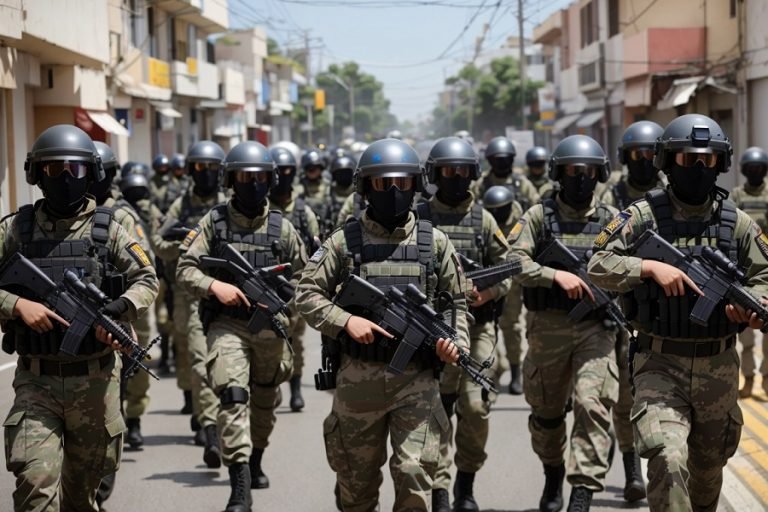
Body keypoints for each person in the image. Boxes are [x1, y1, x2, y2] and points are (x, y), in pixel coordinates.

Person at [588, 114, 768, 511]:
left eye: (708, 160)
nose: (699, 169)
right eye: (688, 160)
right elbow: (597, 263)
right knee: (669, 461)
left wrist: (753, 304)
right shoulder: (642, 216)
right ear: (666, 163)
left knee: (707, 477)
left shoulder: (736, 224)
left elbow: (763, 276)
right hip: (659, 364)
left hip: (719, 367)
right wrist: (648, 267)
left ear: (722, 163)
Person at [295, 138, 470, 511]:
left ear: (416, 185)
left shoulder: (434, 243)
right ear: (364, 187)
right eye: (381, 183)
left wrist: (456, 344)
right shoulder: (344, 242)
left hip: (417, 380)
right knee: (356, 487)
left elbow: (457, 302)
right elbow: (306, 294)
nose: (393, 191)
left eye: (402, 183)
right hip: (358, 380)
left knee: (413, 475)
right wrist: (345, 321)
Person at [1, 124, 158, 511]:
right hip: (37, 381)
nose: (66, 179)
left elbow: (147, 279)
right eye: (55, 170)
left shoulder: (111, 230)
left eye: (76, 169)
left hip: (96, 383)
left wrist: (119, 309)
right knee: (35, 488)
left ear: (94, 173)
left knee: (81, 499)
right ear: (37, 174)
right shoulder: (15, 230)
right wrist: (16, 305)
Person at [177, 141, 306, 512]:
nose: (252, 184)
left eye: (260, 177)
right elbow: (186, 268)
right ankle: (239, 486)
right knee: (233, 395)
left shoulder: (282, 229)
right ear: (230, 180)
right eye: (244, 177)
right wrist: (215, 285)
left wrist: (285, 299)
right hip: (226, 325)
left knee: (265, 400)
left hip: (271, 328)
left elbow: (308, 281)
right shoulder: (213, 223)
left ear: (271, 180)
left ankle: (256, 460)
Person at [508, 134, 620, 512]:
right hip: (548, 327)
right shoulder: (539, 216)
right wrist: (556, 277)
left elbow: (630, 265)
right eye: (572, 171)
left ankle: (582, 493)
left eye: (588, 172)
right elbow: (515, 261)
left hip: (595, 330)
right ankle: (553, 473)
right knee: (547, 414)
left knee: (594, 403)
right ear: (558, 174)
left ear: (599, 174)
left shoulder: (609, 220)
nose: (580, 178)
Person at [416, 137, 511, 512]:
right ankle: (439, 489)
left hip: (478, 325)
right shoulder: (420, 218)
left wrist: (486, 294)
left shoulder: (482, 220)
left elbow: (508, 269)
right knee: (435, 409)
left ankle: (465, 484)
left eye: (462, 171)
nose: (455, 178)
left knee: (474, 407)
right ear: (435, 174)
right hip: (433, 328)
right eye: (447, 171)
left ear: (472, 174)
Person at [152, 141, 226, 448]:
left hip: (224, 290)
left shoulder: (229, 205)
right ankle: (202, 415)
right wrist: (184, 247)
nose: (205, 173)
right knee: (190, 353)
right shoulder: (180, 205)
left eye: (211, 168)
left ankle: (211, 420)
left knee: (212, 357)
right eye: (200, 167)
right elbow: (158, 242)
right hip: (188, 292)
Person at [93, 142, 157, 450]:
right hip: (88, 307)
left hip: (125, 306)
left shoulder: (122, 215)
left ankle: (134, 418)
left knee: (136, 362)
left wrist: (126, 304)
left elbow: (145, 266)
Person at [268, 146, 321, 412]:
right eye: (280, 171)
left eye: (289, 171)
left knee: (295, 342)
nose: (285, 176)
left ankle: (296, 388)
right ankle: (271, 385)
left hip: (293, 287)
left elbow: (318, 250)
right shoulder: (263, 209)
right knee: (269, 340)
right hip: (265, 288)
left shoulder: (303, 212)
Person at [730, 146, 768, 398]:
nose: (754, 172)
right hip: (743, 271)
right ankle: (748, 378)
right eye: (750, 168)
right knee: (744, 332)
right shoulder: (736, 195)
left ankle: (766, 379)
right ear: (744, 170)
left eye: (759, 168)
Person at [481, 186, 525, 394]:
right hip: (488, 278)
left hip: (514, 280)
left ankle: (516, 371)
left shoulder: (521, 220)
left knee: (511, 326)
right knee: (489, 326)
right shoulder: (486, 220)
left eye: (501, 209)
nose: (497, 213)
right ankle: (495, 366)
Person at [599, 121, 664, 210]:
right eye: (637, 155)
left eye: (649, 154)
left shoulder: (669, 193)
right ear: (625, 157)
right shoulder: (613, 197)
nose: (644, 161)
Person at [473, 136, 539, 212]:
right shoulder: (481, 183)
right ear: (490, 160)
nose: (502, 163)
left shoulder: (521, 183)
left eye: (505, 160)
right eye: (498, 160)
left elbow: (536, 206)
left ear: (511, 159)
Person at [299, 148, 332, 233]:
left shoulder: (328, 186)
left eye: (315, 167)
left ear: (320, 168)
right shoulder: (299, 186)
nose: (312, 170)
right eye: (309, 168)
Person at [328, 153, 357, 226]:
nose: (344, 176)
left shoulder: (357, 191)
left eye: (346, 173)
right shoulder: (330, 190)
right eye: (340, 173)